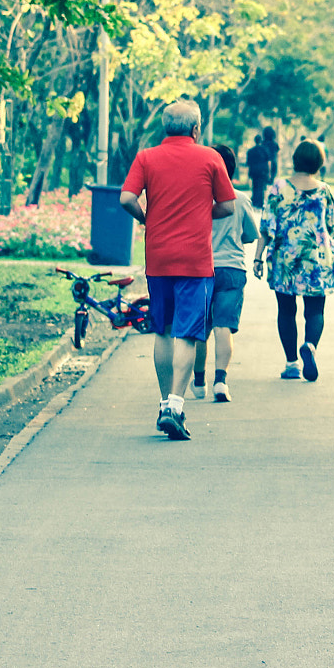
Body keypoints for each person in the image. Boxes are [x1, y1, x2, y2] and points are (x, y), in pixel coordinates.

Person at [119, 100, 236, 440]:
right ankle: (174, 405)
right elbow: (227, 205)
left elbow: (127, 198)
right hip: (195, 260)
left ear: (164, 127)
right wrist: (201, 213)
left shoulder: (147, 157)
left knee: (163, 329)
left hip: (158, 256)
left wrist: (147, 218)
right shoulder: (210, 157)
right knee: (187, 331)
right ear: (196, 129)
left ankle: (162, 402)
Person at [256, 140, 334, 380]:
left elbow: (266, 226)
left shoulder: (278, 188)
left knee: (286, 311)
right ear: (319, 163)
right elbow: (331, 227)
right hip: (316, 259)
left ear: (295, 160)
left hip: (284, 258)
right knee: (315, 310)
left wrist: (257, 258)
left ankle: (291, 364)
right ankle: (310, 346)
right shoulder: (324, 190)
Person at [194, 144, 259, 402]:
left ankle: (199, 382)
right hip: (232, 269)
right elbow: (251, 235)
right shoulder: (240, 199)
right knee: (224, 328)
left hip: (201, 269)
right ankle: (221, 381)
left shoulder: (198, 197)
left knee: (200, 329)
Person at [245, 128, 278, 201]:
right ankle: (264, 199)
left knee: (256, 185)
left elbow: (249, 163)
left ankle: (256, 200)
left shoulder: (255, 149)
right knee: (264, 185)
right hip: (265, 169)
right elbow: (272, 158)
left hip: (255, 170)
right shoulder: (274, 145)